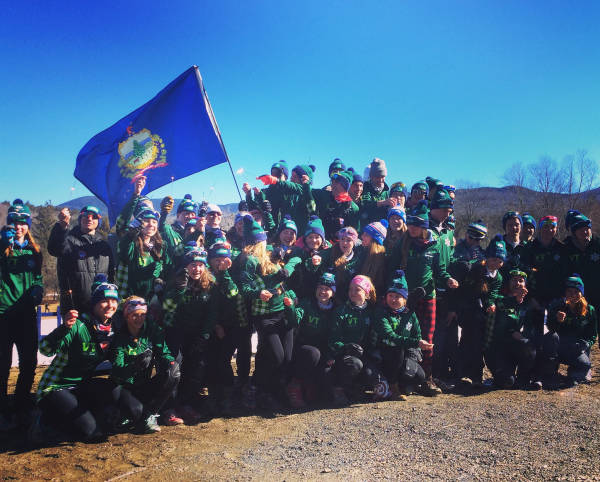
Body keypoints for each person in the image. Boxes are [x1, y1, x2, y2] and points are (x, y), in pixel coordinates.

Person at [35, 275, 118, 441]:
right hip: (56, 387)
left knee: (114, 391)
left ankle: (75, 417)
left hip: (80, 386)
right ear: (94, 304)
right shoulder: (78, 325)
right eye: (104, 300)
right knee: (91, 433)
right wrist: (63, 329)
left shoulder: (111, 330)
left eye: (114, 300)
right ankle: (45, 423)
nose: (110, 305)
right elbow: (45, 349)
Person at [390, 200, 459, 394]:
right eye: (409, 224)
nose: (410, 228)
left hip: (428, 297)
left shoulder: (434, 246)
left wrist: (448, 280)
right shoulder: (402, 244)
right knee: (406, 335)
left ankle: (427, 377)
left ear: (423, 227)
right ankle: (405, 378)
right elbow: (392, 269)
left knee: (427, 337)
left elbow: (440, 271)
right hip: (405, 298)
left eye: (415, 225)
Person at [236, 216, 297, 410]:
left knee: (278, 356)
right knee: (276, 356)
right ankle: (262, 388)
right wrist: (257, 292)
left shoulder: (270, 255)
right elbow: (244, 287)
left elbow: (295, 257)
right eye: (261, 240)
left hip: (281, 310)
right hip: (262, 313)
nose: (265, 243)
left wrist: (285, 264)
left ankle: (268, 390)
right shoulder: (248, 261)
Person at [0, 199, 43, 429]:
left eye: (22, 222)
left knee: (29, 363)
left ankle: (21, 403)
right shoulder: (2, 246)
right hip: (3, 314)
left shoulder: (35, 251)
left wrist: (39, 289)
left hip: (26, 315)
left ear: (28, 225)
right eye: (14, 222)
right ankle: (2, 408)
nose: (18, 227)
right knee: (2, 364)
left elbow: (38, 277)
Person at [161, 246, 217, 423]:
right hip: (175, 329)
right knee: (173, 369)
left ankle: (186, 404)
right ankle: (168, 407)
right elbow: (167, 308)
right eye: (193, 265)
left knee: (195, 368)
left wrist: (205, 334)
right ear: (186, 266)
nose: (197, 269)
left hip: (197, 332)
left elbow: (212, 312)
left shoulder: (210, 284)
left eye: (201, 265)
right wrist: (179, 289)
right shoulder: (176, 281)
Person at [111, 296, 180, 433]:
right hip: (123, 386)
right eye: (135, 315)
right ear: (126, 316)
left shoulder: (151, 330)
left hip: (143, 384)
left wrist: (170, 361)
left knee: (173, 372)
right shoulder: (119, 337)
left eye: (143, 314)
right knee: (132, 413)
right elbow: (117, 370)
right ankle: (132, 414)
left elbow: (163, 351)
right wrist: (135, 366)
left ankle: (149, 414)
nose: (139, 318)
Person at [453, 239, 505, 388]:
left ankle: (476, 375)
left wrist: (490, 304)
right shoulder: (476, 269)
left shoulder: (498, 277)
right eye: (493, 259)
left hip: (483, 313)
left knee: (479, 342)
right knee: (467, 341)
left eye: (499, 261)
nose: (496, 263)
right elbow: (466, 289)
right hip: (469, 310)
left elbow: (493, 293)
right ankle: (462, 373)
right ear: (487, 258)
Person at [371, 271, 431, 400]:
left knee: (418, 375)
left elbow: (417, 334)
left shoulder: (410, 314)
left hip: (404, 352)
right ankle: (393, 387)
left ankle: (404, 384)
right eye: (390, 295)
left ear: (405, 299)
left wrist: (415, 352)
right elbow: (390, 336)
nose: (393, 299)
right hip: (384, 353)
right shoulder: (381, 313)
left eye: (397, 296)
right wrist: (417, 343)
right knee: (396, 350)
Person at [47, 205, 114, 315]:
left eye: (94, 217)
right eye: (85, 216)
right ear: (80, 219)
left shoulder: (104, 246)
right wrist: (62, 226)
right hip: (73, 306)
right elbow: (54, 249)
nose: (89, 218)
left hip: (101, 306)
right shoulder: (68, 240)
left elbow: (111, 274)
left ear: (98, 221)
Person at [285, 272, 337, 408]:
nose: (323, 292)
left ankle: (310, 385)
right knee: (313, 353)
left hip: (324, 349)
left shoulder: (335, 309)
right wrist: (291, 307)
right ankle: (294, 386)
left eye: (327, 289)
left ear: (333, 292)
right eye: (320, 288)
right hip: (304, 348)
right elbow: (295, 319)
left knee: (326, 377)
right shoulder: (307, 303)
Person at [327, 275, 377, 406]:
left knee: (371, 372)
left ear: (366, 294)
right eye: (350, 289)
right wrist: (345, 347)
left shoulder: (371, 312)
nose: (352, 293)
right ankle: (338, 389)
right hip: (342, 356)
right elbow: (333, 339)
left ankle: (355, 388)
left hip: (364, 354)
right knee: (355, 364)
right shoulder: (341, 311)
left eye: (357, 290)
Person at [116, 177, 168, 300]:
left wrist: (157, 280)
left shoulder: (159, 245)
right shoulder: (130, 242)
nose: (151, 224)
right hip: (128, 302)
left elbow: (161, 269)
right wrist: (136, 194)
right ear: (138, 223)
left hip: (150, 303)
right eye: (146, 221)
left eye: (154, 221)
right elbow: (122, 224)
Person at [486, 270, 538, 389]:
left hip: (518, 346)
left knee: (528, 345)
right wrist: (511, 333)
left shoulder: (529, 303)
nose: (517, 283)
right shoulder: (499, 300)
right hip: (499, 348)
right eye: (514, 280)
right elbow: (499, 325)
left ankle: (523, 378)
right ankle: (505, 374)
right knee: (507, 382)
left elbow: (530, 326)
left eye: (521, 281)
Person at [546, 274, 597, 386]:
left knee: (584, 365)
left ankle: (573, 374)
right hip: (558, 346)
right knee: (548, 367)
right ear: (565, 292)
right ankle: (552, 371)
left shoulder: (590, 310)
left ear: (581, 293)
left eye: (576, 292)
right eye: (569, 291)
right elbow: (548, 329)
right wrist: (557, 320)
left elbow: (592, 334)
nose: (573, 295)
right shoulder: (557, 306)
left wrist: (586, 344)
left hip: (577, 347)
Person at [563, 210, 600, 311]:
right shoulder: (566, 247)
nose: (584, 232)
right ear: (574, 232)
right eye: (580, 230)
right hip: (577, 297)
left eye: (586, 228)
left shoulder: (597, 244)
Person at [359, 158, 394, 225]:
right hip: (368, 227)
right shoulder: (366, 187)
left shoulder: (387, 191)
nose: (380, 180)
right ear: (371, 177)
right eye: (377, 177)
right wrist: (382, 203)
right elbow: (365, 205)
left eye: (382, 176)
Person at [359, 220, 388, 295]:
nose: (362, 236)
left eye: (366, 235)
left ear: (374, 239)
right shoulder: (362, 251)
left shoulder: (381, 258)